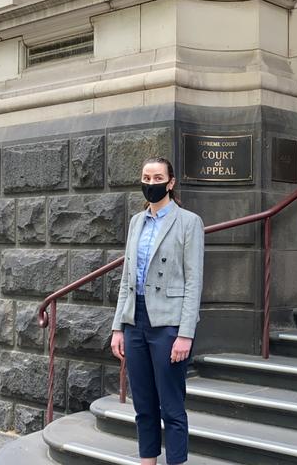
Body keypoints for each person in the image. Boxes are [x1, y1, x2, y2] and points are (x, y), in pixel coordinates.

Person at [110, 157, 204, 465]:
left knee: (172, 406)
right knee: (144, 403)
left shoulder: (189, 222)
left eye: (158, 177)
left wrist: (185, 334)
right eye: (146, 177)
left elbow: (194, 281)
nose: (151, 183)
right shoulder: (137, 221)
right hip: (135, 319)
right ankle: (147, 461)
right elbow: (127, 276)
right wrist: (118, 326)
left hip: (168, 324)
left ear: (171, 182)